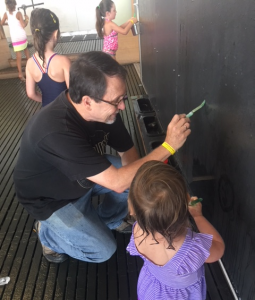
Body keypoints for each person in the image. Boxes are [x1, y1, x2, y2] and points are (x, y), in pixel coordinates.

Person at [13, 51, 191, 264]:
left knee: (132, 179)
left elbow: (128, 153)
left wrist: (137, 196)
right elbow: (116, 183)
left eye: (123, 99)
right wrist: (168, 146)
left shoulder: (107, 111)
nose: (122, 107)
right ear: (87, 102)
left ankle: (109, 219)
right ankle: (49, 235)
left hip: (81, 178)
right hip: (51, 199)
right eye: (117, 101)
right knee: (103, 250)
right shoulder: (55, 130)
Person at [127, 161, 225, 300]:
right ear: (186, 200)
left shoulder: (138, 229)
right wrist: (198, 216)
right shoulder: (190, 249)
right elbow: (218, 248)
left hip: (151, 290)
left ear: (134, 209)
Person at [26, 8, 71, 107]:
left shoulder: (30, 63)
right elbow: (73, 94)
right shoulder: (63, 61)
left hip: (46, 112)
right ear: (55, 34)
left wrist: (47, 100)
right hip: (64, 112)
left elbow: (31, 94)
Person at [1, 0, 29, 81]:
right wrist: (27, 19)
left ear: (7, 5)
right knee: (26, 50)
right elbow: (23, 25)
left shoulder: (6, 14)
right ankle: (31, 68)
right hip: (22, 36)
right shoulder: (18, 13)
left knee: (18, 56)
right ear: (15, 4)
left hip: (15, 38)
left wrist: (9, 23)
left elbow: (1, 23)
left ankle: (20, 74)